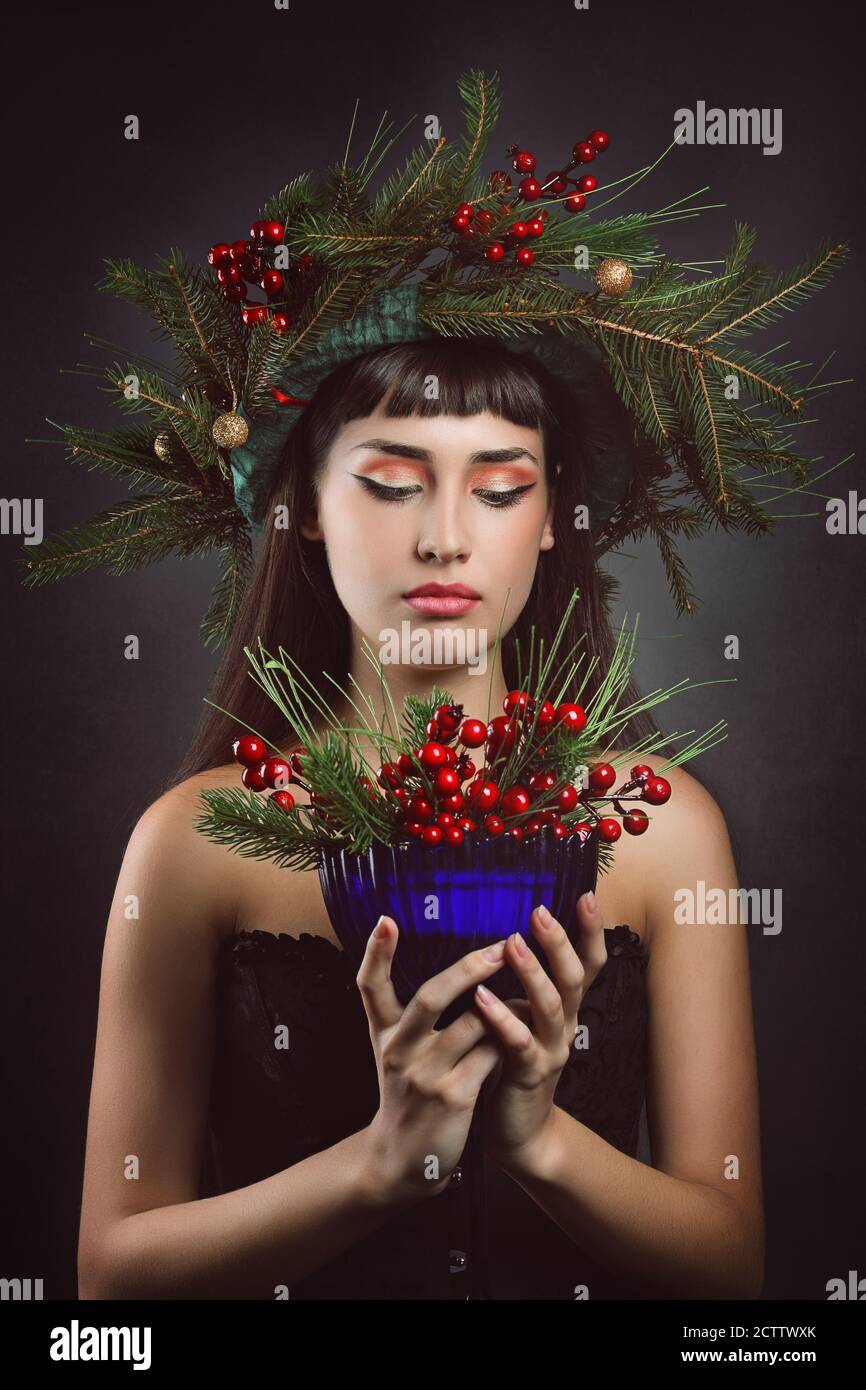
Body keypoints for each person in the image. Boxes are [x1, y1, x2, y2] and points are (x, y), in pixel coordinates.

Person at [76, 337, 764, 1300]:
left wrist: (540, 1141)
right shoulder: (195, 839)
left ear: (552, 516)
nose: (445, 537)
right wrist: (378, 1168)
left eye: (498, 489)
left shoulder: (659, 826)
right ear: (307, 506)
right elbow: (111, 1282)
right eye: (394, 484)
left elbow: (731, 1268)